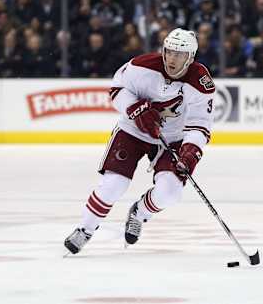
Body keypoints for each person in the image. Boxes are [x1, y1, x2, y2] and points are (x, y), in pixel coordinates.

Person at [64, 28, 215, 254]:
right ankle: (85, 229)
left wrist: (190, 152)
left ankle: (140, 213)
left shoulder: (201, 82)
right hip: (132, 131)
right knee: (114, 185)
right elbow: (117, 88)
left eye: (179, 54)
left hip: (172, 139)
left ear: (191, 58)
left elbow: (200, 124)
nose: (172, 59)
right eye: (169, 52)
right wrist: (135, 109)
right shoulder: (142, 66)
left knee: (171, 192)